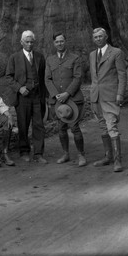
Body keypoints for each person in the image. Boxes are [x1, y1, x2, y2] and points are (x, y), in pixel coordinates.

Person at [5, 30, 48, 164]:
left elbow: (43, 78)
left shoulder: (40, 57)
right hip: (22, 98)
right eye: (27, 42)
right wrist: (19, 88)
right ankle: (24, 151)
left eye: (31, 42)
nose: (29, 44)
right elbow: (8, 77)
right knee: (23, 125)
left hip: (37, 97)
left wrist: (45, 97)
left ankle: (39, 153)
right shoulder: (14, 57)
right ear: (21, 42)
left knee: (38, 125)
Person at [45, 32, 87, 167]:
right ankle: (65, 154)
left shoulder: (74, 58)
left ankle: (81, 155)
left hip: (72, 99)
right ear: (54, 43)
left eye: (62, 41)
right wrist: (55, 94)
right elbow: (47, 79)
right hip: (57, 100)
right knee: (61, 127)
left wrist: (67, 93)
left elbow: (78, 77)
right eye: (57, 42)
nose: (59, 44)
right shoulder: (50, 59)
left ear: (65, 41)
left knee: (74, 127)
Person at [89, 27, 127, 172]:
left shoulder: (116, 52)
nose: (98, 39)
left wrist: (120, 94)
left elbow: (122, 74)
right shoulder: (92, 54)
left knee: (112, 126)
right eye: (95, 37)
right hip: (96, 96)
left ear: (106, 37)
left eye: (100, 36)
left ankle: (118, 161)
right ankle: (108, 156)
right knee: (103, 126)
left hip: (110, 96)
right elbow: (94, 77)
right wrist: (92, 95)